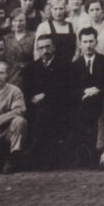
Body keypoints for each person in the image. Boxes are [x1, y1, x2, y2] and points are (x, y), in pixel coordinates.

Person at [22, 35, 72, 170]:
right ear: (37, 50)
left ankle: (45, 159)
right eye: (41, 47)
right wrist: (33, 99)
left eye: (48, 46)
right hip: (35, 109)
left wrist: (46, 96)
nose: (45, 50)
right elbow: (26, 92)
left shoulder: (65, 65)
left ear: (54, 47)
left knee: (46, 114)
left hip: (60, 107)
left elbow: (67, 89)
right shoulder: (30, 68)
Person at [70, 28, 104, 162]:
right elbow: (72, 88)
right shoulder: (75, 65)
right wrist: (84, 93)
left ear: (96, 42)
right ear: (80, 44)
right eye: (85, 42)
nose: (88, 45)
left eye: (91, 41)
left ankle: (97, 151)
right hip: (82, 103)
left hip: (102, 100)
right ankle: (86, 150)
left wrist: (98, 90)